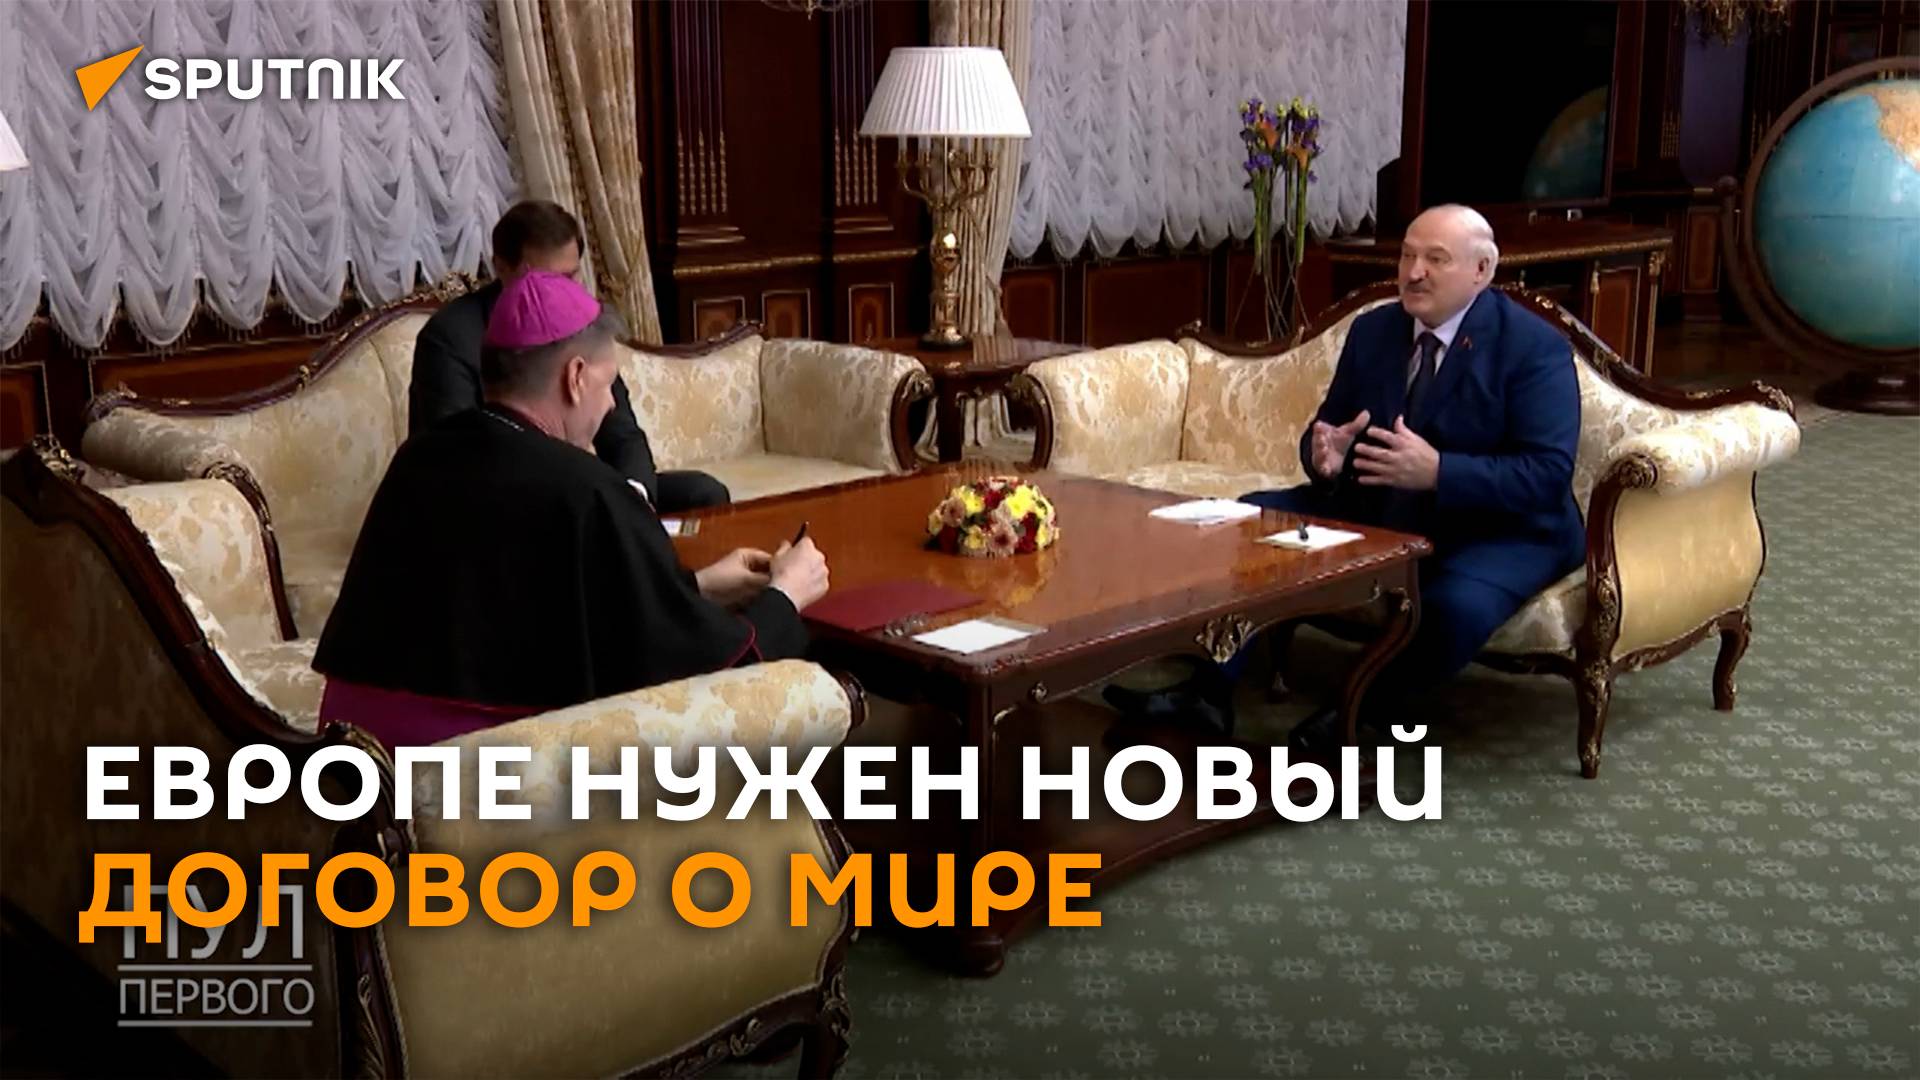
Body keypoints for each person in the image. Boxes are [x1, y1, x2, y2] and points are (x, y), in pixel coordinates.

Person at [1108, 204, 1584, 753]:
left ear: (1482, 271)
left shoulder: (1532, 347)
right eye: (1407, 256)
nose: (1414, 273)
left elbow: (1547, 473)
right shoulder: (1375, 330)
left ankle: (1357, 715)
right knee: (1246, 520)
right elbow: (1330, 431)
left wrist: (1440, 472)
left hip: (1502, 527)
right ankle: (1208, 695)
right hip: (1381, 505)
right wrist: (1324, 458)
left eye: (1435, 260)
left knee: (1456, 606)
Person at [315, 271, 830, 747]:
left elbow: (530, 612)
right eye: (608, 385)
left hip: (352, 744)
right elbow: (701, 678)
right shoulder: (589, 489)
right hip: (465, 760)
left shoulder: (419, 457)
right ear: (576, 377)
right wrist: (786, 594)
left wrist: (697, 586)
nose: (610, 405)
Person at [409, 199, 731, 512]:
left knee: (702, 492)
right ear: (502, 269)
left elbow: (622, 434)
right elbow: (458, 462)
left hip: (575, 483)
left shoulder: (582, 318)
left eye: (571, 276)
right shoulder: (451, 337)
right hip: (507, 500)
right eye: (546, 280)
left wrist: (634, 501)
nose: (564, 291)